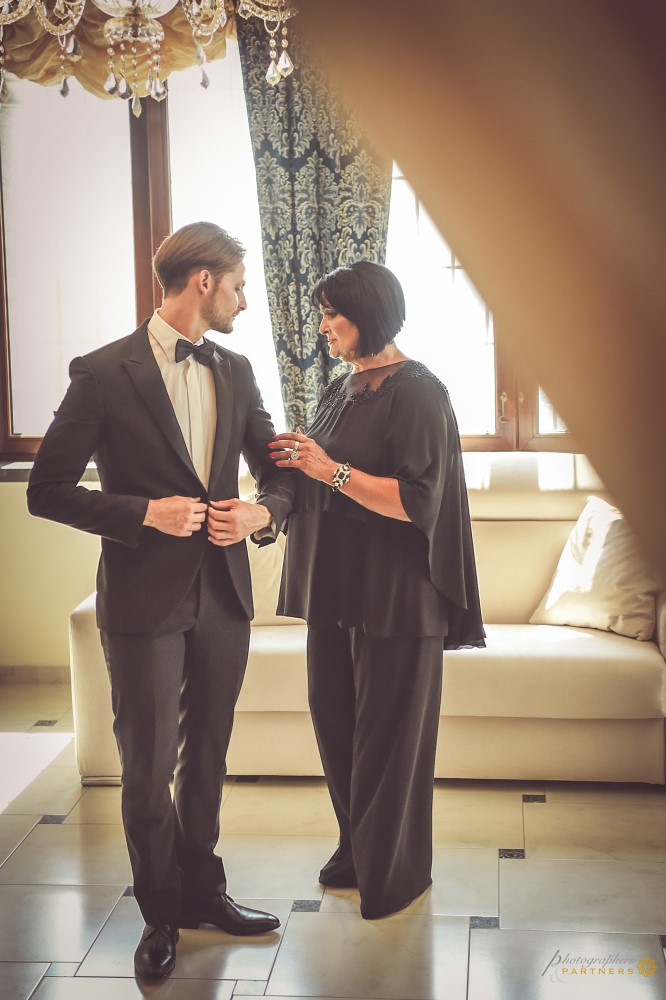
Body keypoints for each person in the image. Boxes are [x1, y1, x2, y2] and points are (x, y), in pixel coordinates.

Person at [27, 222, 293, 979]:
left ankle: (205, 892)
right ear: (203, 280)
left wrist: (261, 514)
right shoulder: (103, 372)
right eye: (239, 284)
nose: (245, 299)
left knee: (207, 757)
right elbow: (45, 491)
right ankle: (159, 913)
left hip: (223, 596)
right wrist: (143, 512)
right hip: (143, 601)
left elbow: (278, 476)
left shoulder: (237, 371)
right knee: (148, 768)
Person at [270, 260, 485, 920]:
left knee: (387, 742)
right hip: (334, 592)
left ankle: (394, 874)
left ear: (369, 314)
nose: (324, 324)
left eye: (333, 312)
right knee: (333, 721)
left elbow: (415, 502)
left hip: (397, 597)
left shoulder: (420, 392)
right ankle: (359, 848)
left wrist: (328, 469)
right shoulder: (344, 385)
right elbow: (321, 467)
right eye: (322, 312)